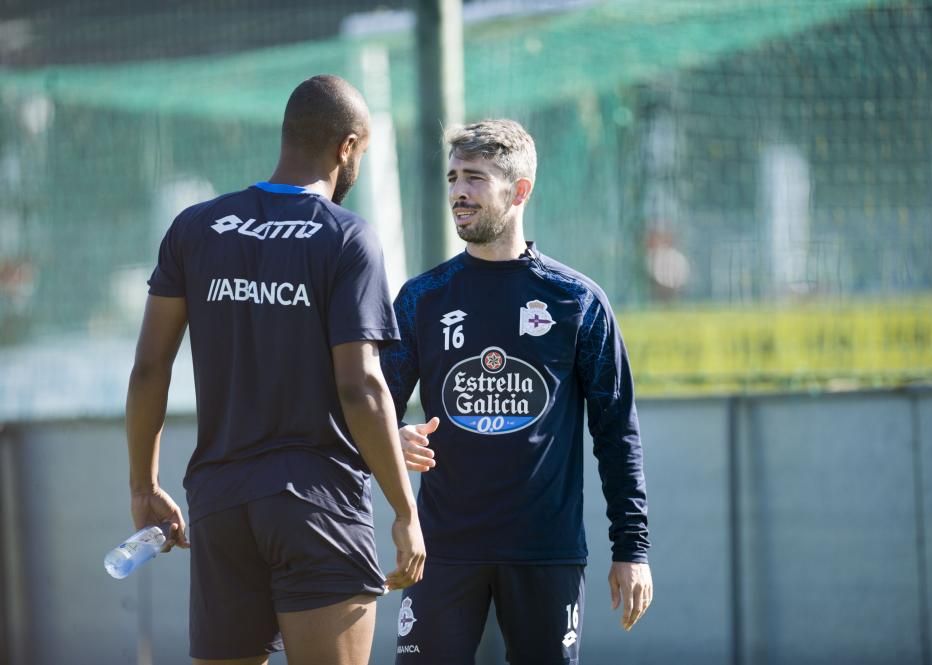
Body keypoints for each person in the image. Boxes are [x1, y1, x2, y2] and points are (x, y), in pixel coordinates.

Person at [125, 74, 425, 665]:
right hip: (318, 506)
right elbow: (361, 386)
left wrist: (143, 485)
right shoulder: (347, 237)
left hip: (220, 504)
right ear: (347, 147)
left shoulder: (197, 228)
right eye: (360, 152)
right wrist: (405, 511)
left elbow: (148, 367)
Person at [381, 119, 653, 664]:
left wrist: (632, 549)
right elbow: (370, 406)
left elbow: (616, 432)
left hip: (544, 552)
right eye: (454, 176)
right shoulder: (422, 298)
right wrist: (392, 435)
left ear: (519, 191)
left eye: (476, 178)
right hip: (443, 550)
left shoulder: (576, 301)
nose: (458, 191)